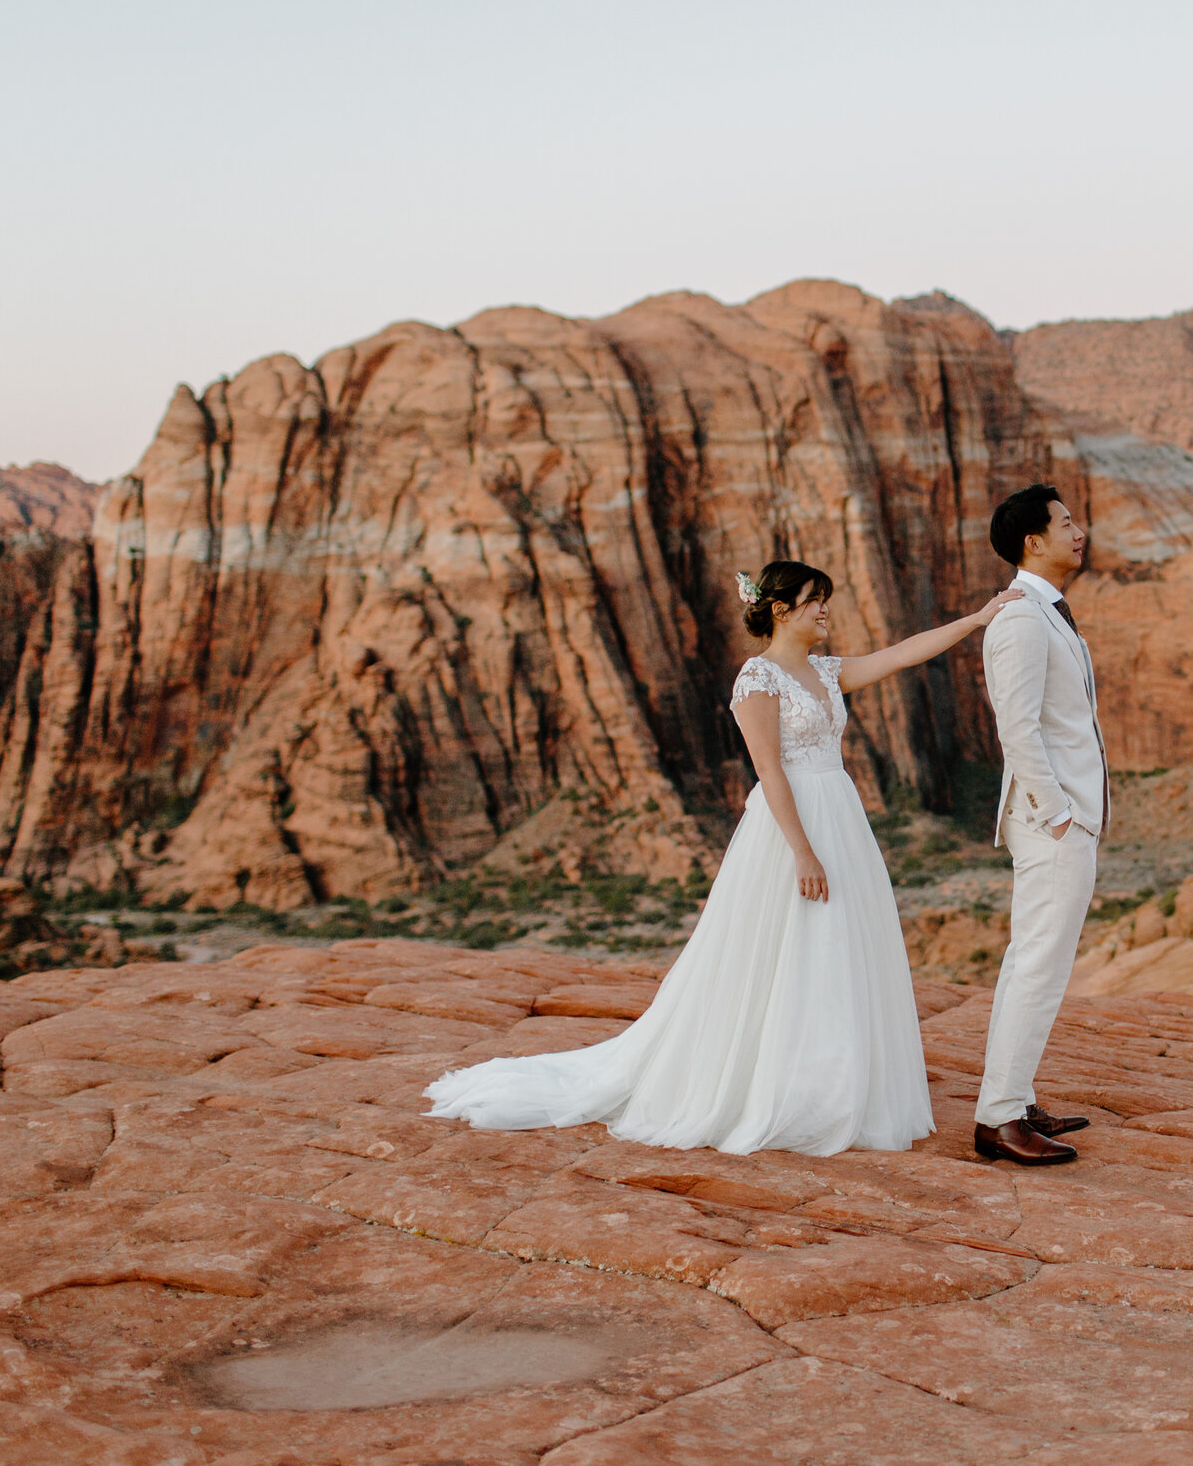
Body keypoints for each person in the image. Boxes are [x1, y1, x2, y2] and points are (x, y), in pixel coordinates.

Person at [422, 561, 1021, 1156]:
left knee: (833, 950)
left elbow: (903, 654)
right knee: (778, 951)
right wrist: (803, 852)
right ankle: (766, 1087)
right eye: (816, 600)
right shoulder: (758, 679)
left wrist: (979, 617)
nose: (825, 611)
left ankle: (826, 1085)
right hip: (793, 829)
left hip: (840, 815)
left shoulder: (823, 671)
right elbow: (768, 769)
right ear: (782, 609)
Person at [973, 484, 1107, 1165]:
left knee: (1037, 962)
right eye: (1065, 522)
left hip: (1061, 817)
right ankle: (998, 1119)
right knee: (1038, 966)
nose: (1077, 531)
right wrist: (1060, 815)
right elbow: (1017, 726)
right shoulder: (1023, 618)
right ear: (1033, 540)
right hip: (1052, 821)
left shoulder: (1042, 612)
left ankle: (1016, 1098)